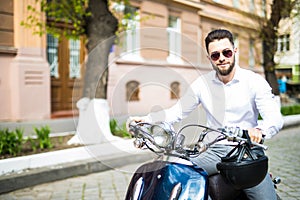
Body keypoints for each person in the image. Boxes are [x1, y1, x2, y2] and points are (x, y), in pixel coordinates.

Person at [127, 29, 283, 200]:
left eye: (227, 52)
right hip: (213, 151)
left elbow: (274, 118)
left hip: (246, 152)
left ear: (234, 52)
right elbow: (177, 111)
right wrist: (148, 120)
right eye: (215, 55)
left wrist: (260, 131)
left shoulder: (253, 81)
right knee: (178, 171)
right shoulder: (203, 84)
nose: (222, 58)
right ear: (210, 59)